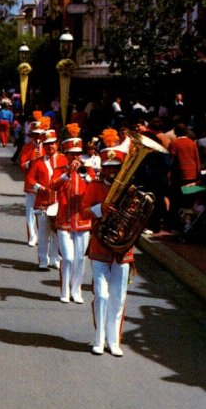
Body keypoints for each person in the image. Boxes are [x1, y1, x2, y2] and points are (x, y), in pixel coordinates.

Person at [80, 140, 134, 356]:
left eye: (116, 167)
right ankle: (99, 338)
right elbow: (83, 213)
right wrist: (99, 209)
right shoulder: (94, 186)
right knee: (101, 295)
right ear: (102, 167)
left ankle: (114, 341)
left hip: (123, 248)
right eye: (109, 166)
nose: (112, 171)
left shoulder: (130, 189)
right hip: (100, 246)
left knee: (118, 296)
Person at [50, 126, 92, 304]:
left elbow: (93, 189)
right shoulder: (60, 170)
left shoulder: (86, 169)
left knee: (80, 258)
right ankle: (64, 290)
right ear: (65, 154)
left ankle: (76, 290)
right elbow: (52, 186)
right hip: (64, 220)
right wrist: (68, 172)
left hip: (82, 220)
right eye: (71, 154)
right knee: (67, 257)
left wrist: (86, 176)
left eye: (78, 154)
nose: (75, 157)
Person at [26, 128, 66, 270]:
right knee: (43, 233)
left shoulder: (64, 159)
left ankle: (55, 259)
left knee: (57, 234)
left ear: (57, 144)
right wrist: (38, 187)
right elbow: (30, 178)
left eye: (53, 143)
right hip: (43, 202)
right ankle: (43, 260)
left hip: (59, 203)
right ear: (44, 145)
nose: (50, 146)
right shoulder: (38, 162)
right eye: (47, 144)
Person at [19, 114, 47, 246]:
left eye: (39, 134)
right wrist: (31, 162)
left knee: (43, 212)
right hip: (30, 184)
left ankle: (43, 236)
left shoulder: (48, 147)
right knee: (30, 210)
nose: (37, 137)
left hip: (44, 184)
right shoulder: (27, 147)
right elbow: (22, 164)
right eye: (35, 134)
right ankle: (32, 236)